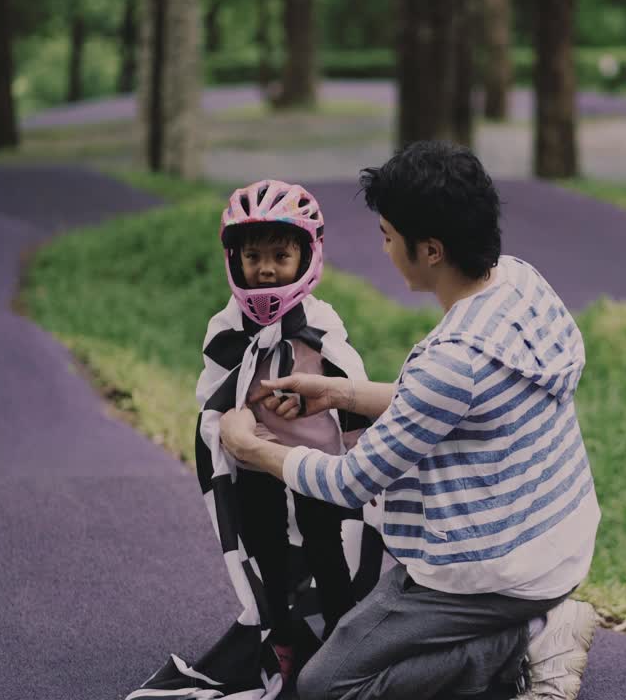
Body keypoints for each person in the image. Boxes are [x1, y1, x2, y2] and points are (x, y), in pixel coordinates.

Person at [220, 141, 602, 700]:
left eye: (388, 236)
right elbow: (456, 400)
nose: (384, 248)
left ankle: (526, 642)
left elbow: (349, 481)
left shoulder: (451, 360)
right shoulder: (521, 284)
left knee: (326, 686)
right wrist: (338, 391)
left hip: (493, 574)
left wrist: (251, 449)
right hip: (559, 540)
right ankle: (525, 627)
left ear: (429, 250)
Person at [202, 180, 375, 687]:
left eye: (281, 254)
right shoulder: (225, 327)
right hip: (257, 462)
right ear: (234, 260)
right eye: (253, 256)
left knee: (327, 549)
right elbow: (212, 396)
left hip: (319, 465)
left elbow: (351, 387)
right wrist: (227, 431)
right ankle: (280, 635)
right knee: (266, 549)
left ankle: (343, 638)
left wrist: (358, 454)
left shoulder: (321, 322)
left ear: (308, 256)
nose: (267, 269)